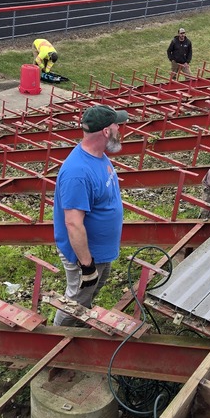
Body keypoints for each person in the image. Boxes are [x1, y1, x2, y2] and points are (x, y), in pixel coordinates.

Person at [52, 105, 128, 326]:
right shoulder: (77, 172)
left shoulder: (98, 155)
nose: (120, 129)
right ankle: (59, 340)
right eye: (117, 125)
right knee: (75, 301)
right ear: (106, 131)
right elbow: (73, 224)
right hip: (85, 257)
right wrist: (87, 266)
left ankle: (79, 322)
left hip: (100, 252)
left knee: (88, 294)